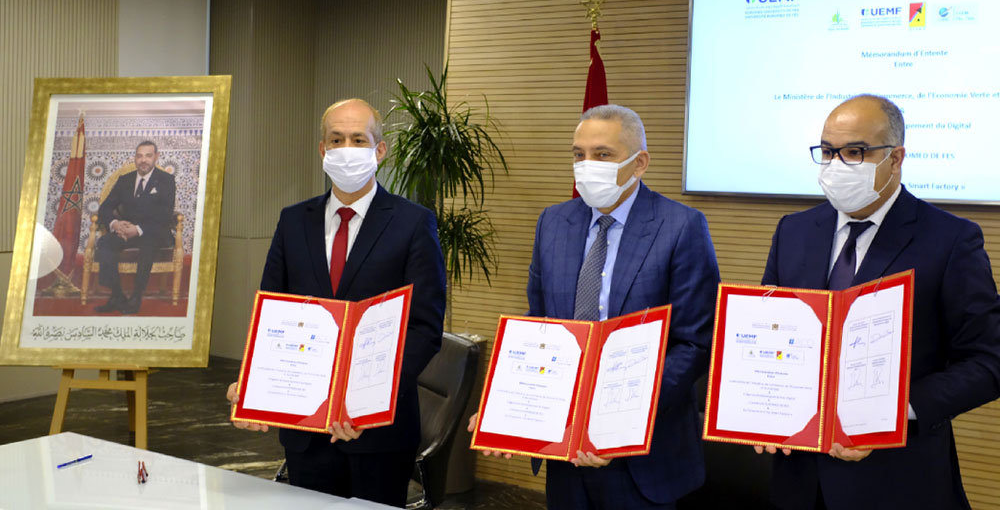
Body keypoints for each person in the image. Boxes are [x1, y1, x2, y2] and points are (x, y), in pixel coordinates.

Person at [758, 94, 1000, 509]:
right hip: (799, 480)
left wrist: (895, 412)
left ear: (896, 158)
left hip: (897, 481)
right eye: (828, 152)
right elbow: (771, 331)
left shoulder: (951, 240)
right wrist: (762, 410)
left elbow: (988, 360)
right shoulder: (793, 231)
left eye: (855, 152)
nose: (837, 165)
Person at [474, 104, 720, 510]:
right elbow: (539, 325)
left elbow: (695, 343)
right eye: (579, 154)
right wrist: (504, 408)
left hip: (644, 454)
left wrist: (615, 419)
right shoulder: (553, 222)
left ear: (639, 163)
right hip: (563, 446)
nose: (587, 165)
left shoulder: (681, 227)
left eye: (602, 154)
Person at [227, 99, 446, 508]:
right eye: (336, 139)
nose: (347, 148)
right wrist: (253, 384)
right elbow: (272, 313)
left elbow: (424, 329)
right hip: (305, 431)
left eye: (358, 139)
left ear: (380, 150)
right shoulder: (293, 221)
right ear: (322, 149)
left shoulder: (413, 223)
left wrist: (363, 401)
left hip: (378, 433)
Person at [94, 140, 176, 314]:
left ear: (156, 157)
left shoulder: (166, 180)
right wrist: (115, 224)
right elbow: (105, 208)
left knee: (148, 243)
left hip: (154, 232)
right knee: (105, 242)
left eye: (148, 155)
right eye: (139, 156)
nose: (143, 160)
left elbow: (165, 215)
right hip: (126, 232)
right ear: (135, 158)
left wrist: (138, 229)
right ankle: (117, 295)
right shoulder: (125, 180)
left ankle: (136, 295)